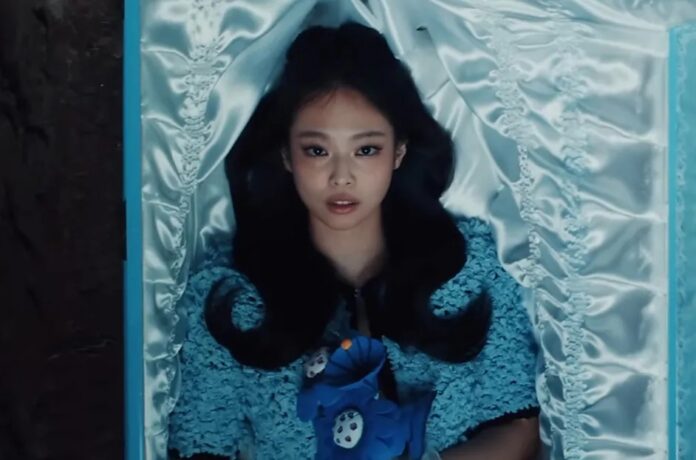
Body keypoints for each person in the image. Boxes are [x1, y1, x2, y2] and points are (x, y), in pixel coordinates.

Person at [168, 22, 540, 460]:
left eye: (366, 150)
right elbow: (200, 447)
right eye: (317, 150)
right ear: (286, 154)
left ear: (398, 151)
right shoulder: (231, 296)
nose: (341, 176)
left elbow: (520, 429)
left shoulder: (469, 270)